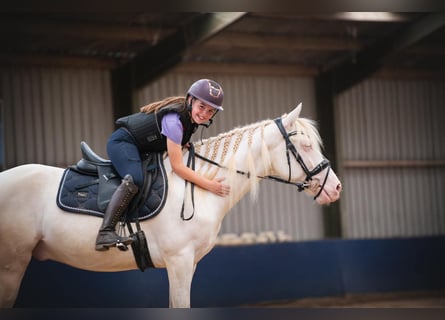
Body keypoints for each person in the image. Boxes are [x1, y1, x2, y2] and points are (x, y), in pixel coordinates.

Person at [95, 79, 231, 251]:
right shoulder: (174, 122)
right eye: (202, 107)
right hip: (123, 142)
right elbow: (178, 167)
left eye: (211, 111)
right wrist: (210, 185)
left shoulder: (189, 119)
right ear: (190, 100)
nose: (204, 114)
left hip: (143, 147)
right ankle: (105, 232)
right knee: (135, 179)